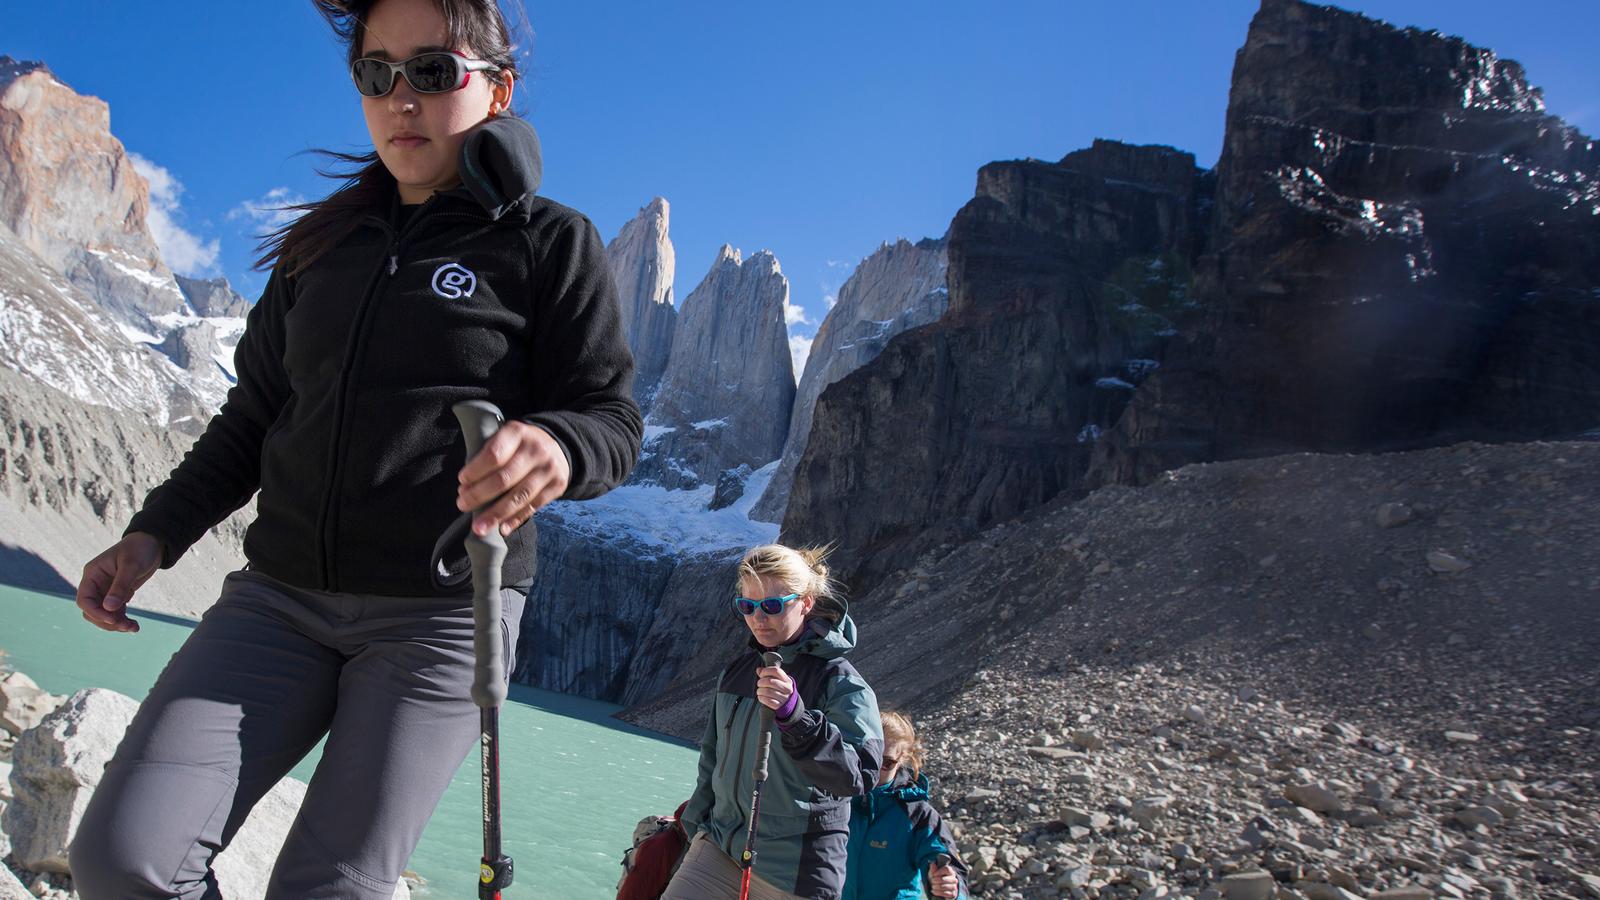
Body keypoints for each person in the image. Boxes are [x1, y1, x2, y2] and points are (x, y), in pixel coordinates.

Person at [67, 0, 642, 896]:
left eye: (432, 71)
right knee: (122, 860)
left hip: (443, 619)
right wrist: (154, 534)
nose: (400, 98)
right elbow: (253, 417)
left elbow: (611, 417)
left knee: (329, 889)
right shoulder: (317, 249)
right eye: (376, 74)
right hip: (279, 600)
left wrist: (560, 445)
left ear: (498, 89)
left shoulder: (548, 242)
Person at [665, 544, 884, 900]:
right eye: (747, 606)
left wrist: (796, 718)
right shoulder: (737, 673)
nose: (758, 618)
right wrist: (695, 828)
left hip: (795, 871)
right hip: (719, 848)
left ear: (806, 603)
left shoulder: (841, 682)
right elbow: (712, 757)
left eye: (771, 606)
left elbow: (858, 775)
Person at [843, 711, 968, 900]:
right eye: (868, 757)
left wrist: (950, 886)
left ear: (902, 759)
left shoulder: (917, 814)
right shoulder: (836, 798)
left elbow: (946, 864)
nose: (874, 769)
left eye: (886, 762)